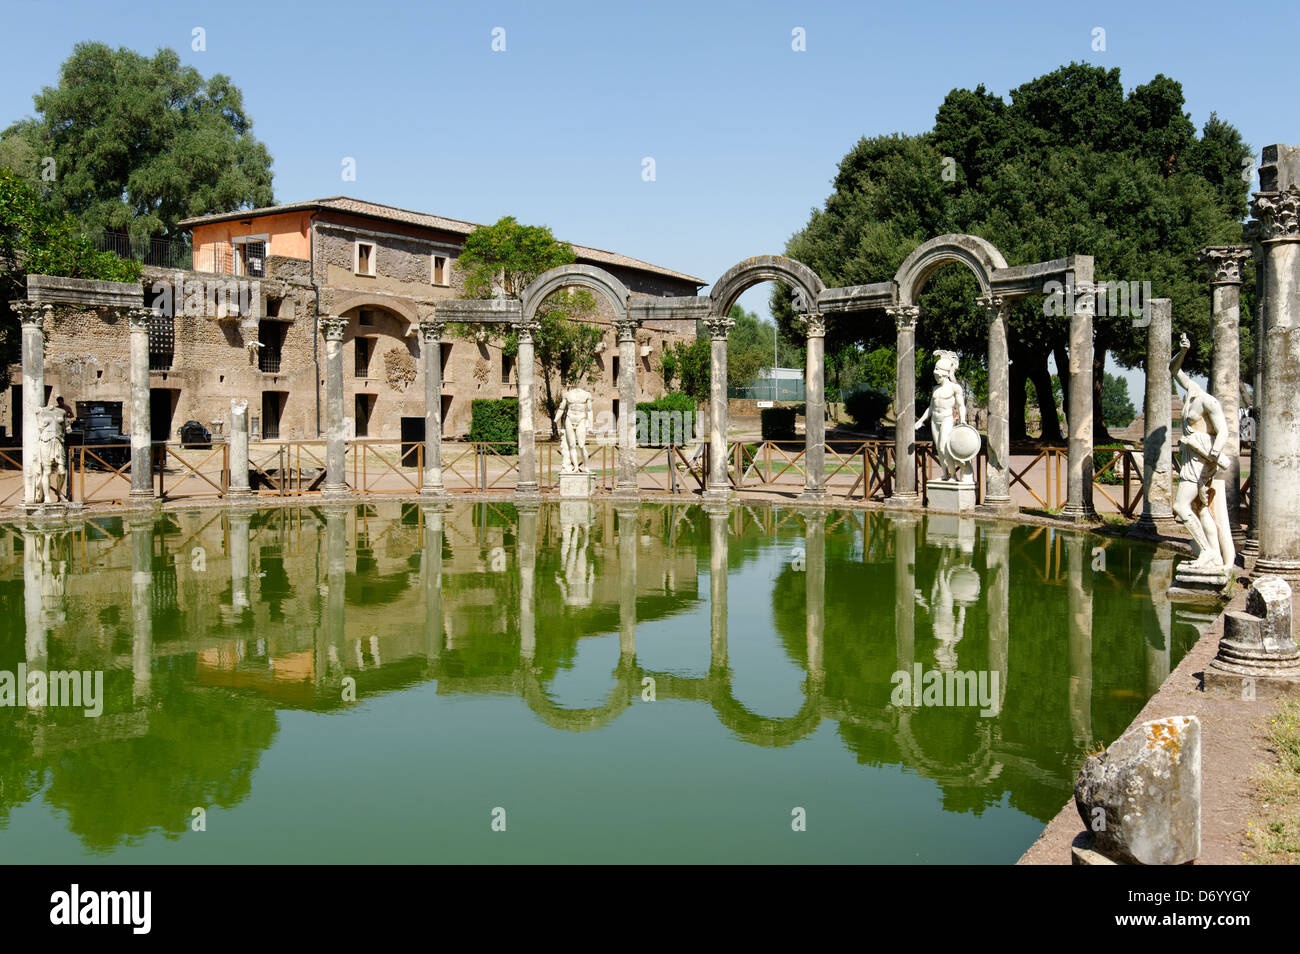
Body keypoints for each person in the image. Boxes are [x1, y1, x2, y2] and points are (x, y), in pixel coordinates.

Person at [1170, 333, 1234, 569]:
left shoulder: (1210, 402)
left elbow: (1224, 432)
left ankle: (1206, 551)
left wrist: (1214, 457)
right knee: (1199, 507)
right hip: (1190, 456)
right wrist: (1183, 351)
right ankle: (1215, 556)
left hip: (1201, 459)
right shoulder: (1192, 392)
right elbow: (1173, 369)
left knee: (1180, 506)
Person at [915, 350, 970, 481]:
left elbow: (961, 405)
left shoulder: (955, 388)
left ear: (944, 374)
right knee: (939, 450)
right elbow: (931, 407)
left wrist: (963, 420)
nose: (935, 377)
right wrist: (921, 420)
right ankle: (945, 474)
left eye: (937, 373)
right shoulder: (935, 389)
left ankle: (954, 475)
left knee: (944, 446)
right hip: (935, 420)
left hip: (947, 419)